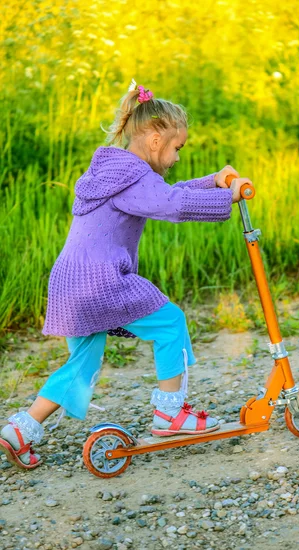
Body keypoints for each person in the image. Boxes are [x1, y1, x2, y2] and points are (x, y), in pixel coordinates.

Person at [0, 80, 252, 470]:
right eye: (176, 148)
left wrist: (212, 181)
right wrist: (228, 196)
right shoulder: (133, 177)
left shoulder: (115, 171)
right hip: (101, 282)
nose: (177, 158)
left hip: (70, 282)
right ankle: (171, 414)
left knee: (82, 364)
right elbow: (171, 203)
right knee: (170, 323)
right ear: (154, 139)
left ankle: (22, 429)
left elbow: (166, 192)